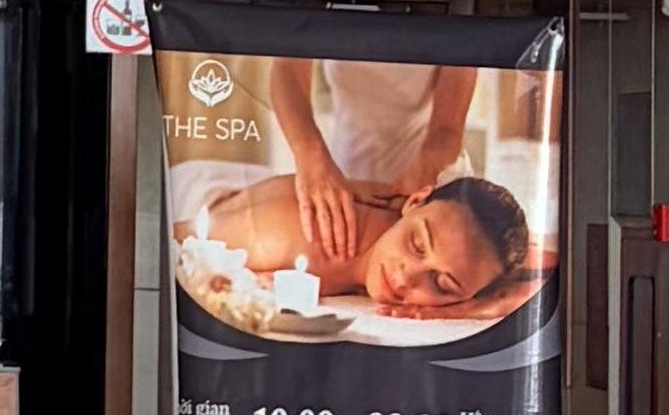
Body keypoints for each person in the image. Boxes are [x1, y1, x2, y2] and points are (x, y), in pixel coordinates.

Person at [198, 160, 534, 320]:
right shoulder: (290, 233)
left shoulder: (480, 257)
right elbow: (182, 242)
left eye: (443, 284)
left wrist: (479, 307)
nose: (405, 278)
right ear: (415, 201)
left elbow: (546, 276)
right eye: (416, 244)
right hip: (204, 187)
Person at [266, 60, 476, 281]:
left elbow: (447, 129)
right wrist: (310, 155)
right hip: (339, 180)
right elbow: (287, 67)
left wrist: (423, 181)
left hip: (424, 184)